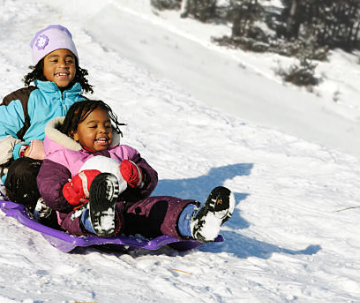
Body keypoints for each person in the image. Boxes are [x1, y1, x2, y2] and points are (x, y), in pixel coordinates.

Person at [37, 99, 235, 243]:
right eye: (93, 126)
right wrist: (78, 189)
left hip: (127, 208)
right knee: (82, 216)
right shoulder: (62, 156)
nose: (103, 131)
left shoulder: (123, 152)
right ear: (74, 133)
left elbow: (150, 178)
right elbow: (50, 190)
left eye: (107, 125)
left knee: (160, 207)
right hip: (76, 212)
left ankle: (195, 222)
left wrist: (138, 176)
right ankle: (99, 219)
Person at [0, 24, 94, 212]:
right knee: (23, 171)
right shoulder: (25, 100)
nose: (63, 64)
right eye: (54, 59)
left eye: (69, 60)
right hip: (33, 165)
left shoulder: (84, 106)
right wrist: (23, 149)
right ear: (41, 66)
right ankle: (43, 205)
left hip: (69, 168)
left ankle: (95, 210)